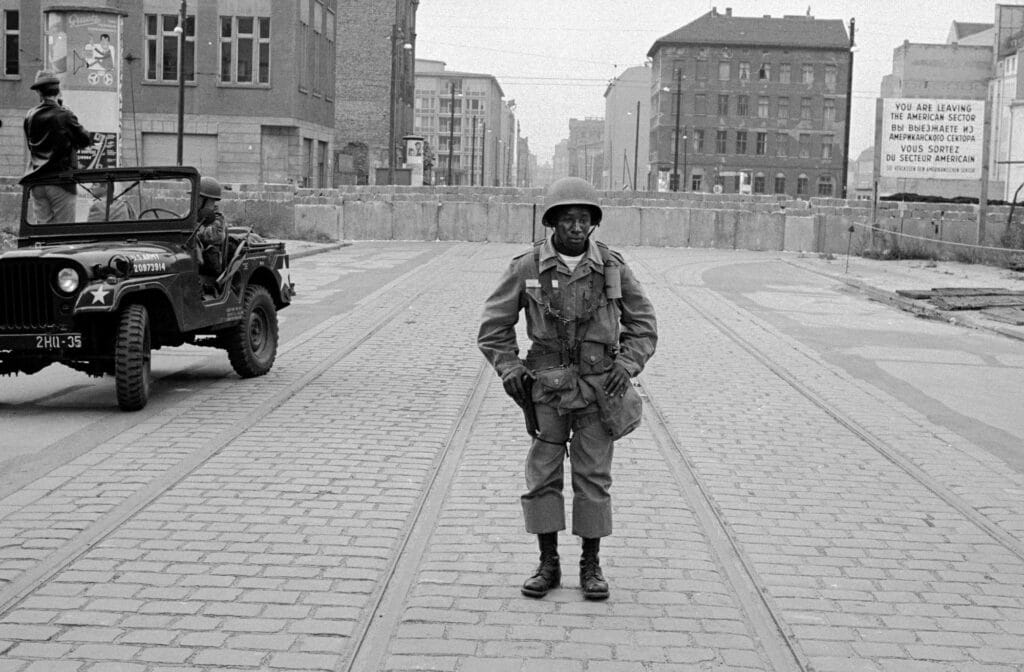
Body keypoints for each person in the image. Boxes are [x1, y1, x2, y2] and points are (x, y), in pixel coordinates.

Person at [478, 177, 657, 600]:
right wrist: (508, 369)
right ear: (552, 223)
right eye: (568, 220)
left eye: (584, 220)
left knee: (593, 477)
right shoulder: (527, 268)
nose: (576, 228)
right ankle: (548, 562)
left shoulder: (612, 266)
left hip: (599, 391)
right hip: (548, 390)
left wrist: (627, 364)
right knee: (542, 476)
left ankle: (590, 564)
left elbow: (644, 326)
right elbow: (493, 328)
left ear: (593, 225)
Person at [21, 70, 93, 224]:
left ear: (39, 93)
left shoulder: (30, 115)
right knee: (63, 231)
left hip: (37, 182)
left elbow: (31, 145)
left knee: (43, 230)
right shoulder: (64, 115)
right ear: (58, 91)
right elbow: (85, 139)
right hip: (61, 182)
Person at [195, 176, 228, 277]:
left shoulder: (218, 219)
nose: (194, 200)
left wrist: (196, 231)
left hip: (209, 266)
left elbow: (214, 236)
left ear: (207, 200)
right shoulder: (192, 214)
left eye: (198, 197)